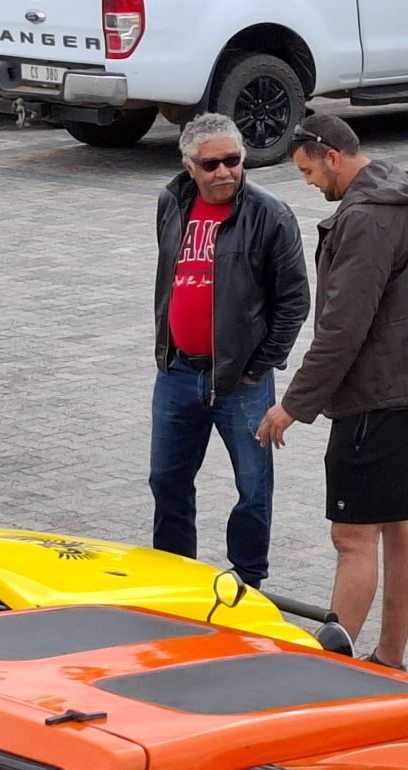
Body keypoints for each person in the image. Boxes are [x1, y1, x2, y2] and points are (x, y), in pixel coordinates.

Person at [256, 114, 408, 669]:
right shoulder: (404, 195)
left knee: (353, 536)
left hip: (381, 392)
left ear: (332, 155)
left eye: (307, 170)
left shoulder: (366, 218)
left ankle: (334, 670)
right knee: (401, 520)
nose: (307, 182)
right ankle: (389, 657)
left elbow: (342, 327)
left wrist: (292, 406)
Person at [150, 112, 309, 588]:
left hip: (243, 384)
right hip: (177, 373)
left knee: (254, 488)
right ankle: (176, 578)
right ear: (188, 166)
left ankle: (248, 580)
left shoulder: (271, 215)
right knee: (167, 481)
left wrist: (257, 369)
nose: (224, 172)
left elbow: (294, 302)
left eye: (233, 161)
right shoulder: (171, 203)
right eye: (211, 163)